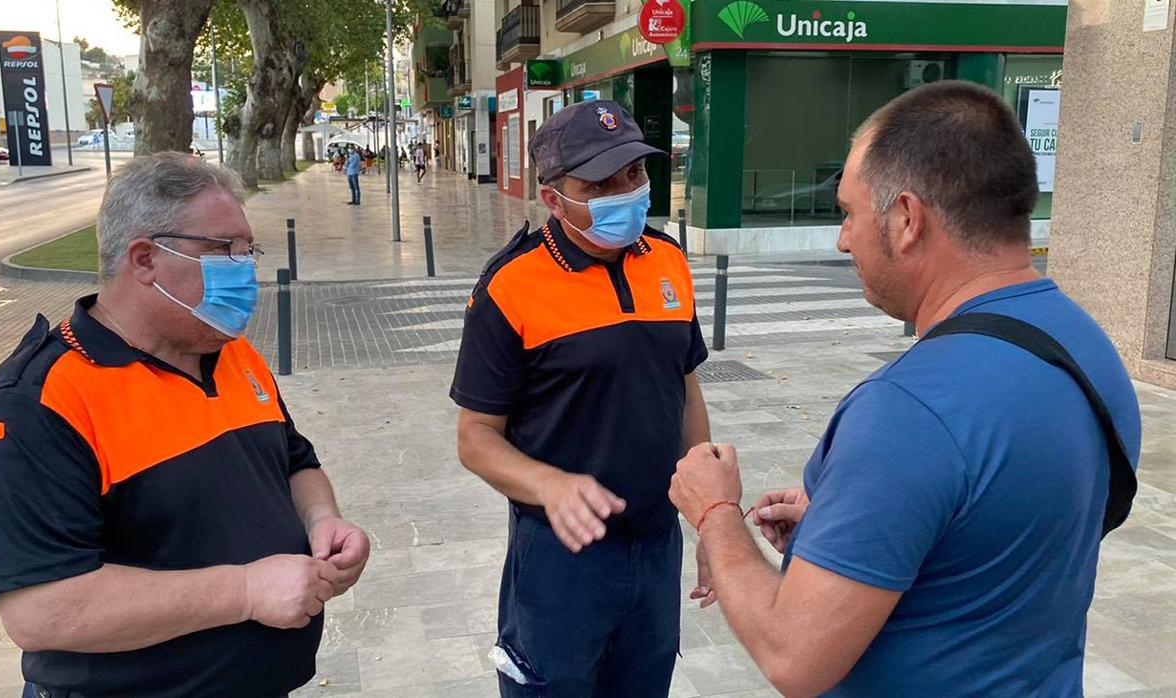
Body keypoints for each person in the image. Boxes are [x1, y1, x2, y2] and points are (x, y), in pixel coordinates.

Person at [668, 80, 1141, 697]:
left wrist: (716, 514)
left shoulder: (908, 412)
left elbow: (794, 656)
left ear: (906, 219)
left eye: (848, 212)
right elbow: (1005, 526)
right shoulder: (1084, 344)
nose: (842, 238)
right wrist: (858, 519)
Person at [0, 153, 371, 697]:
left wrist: (323, 520)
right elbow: (42, 610)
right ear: (145, 259)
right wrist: (245, 590)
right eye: (224, 250)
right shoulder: (37, 404)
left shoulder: (231, 354)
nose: (244, 268)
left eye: (248, 250)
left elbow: (294, 460)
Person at [452, 100, 710, 697]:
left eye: (635, 175)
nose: (626, 191)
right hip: (560, 561)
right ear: (554, 199)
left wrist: (710, 516)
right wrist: (551, 485)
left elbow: (686, 390)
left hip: (656, 544)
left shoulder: (668, 259)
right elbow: (475, 439)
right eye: (601, 182)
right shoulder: (509, 284)